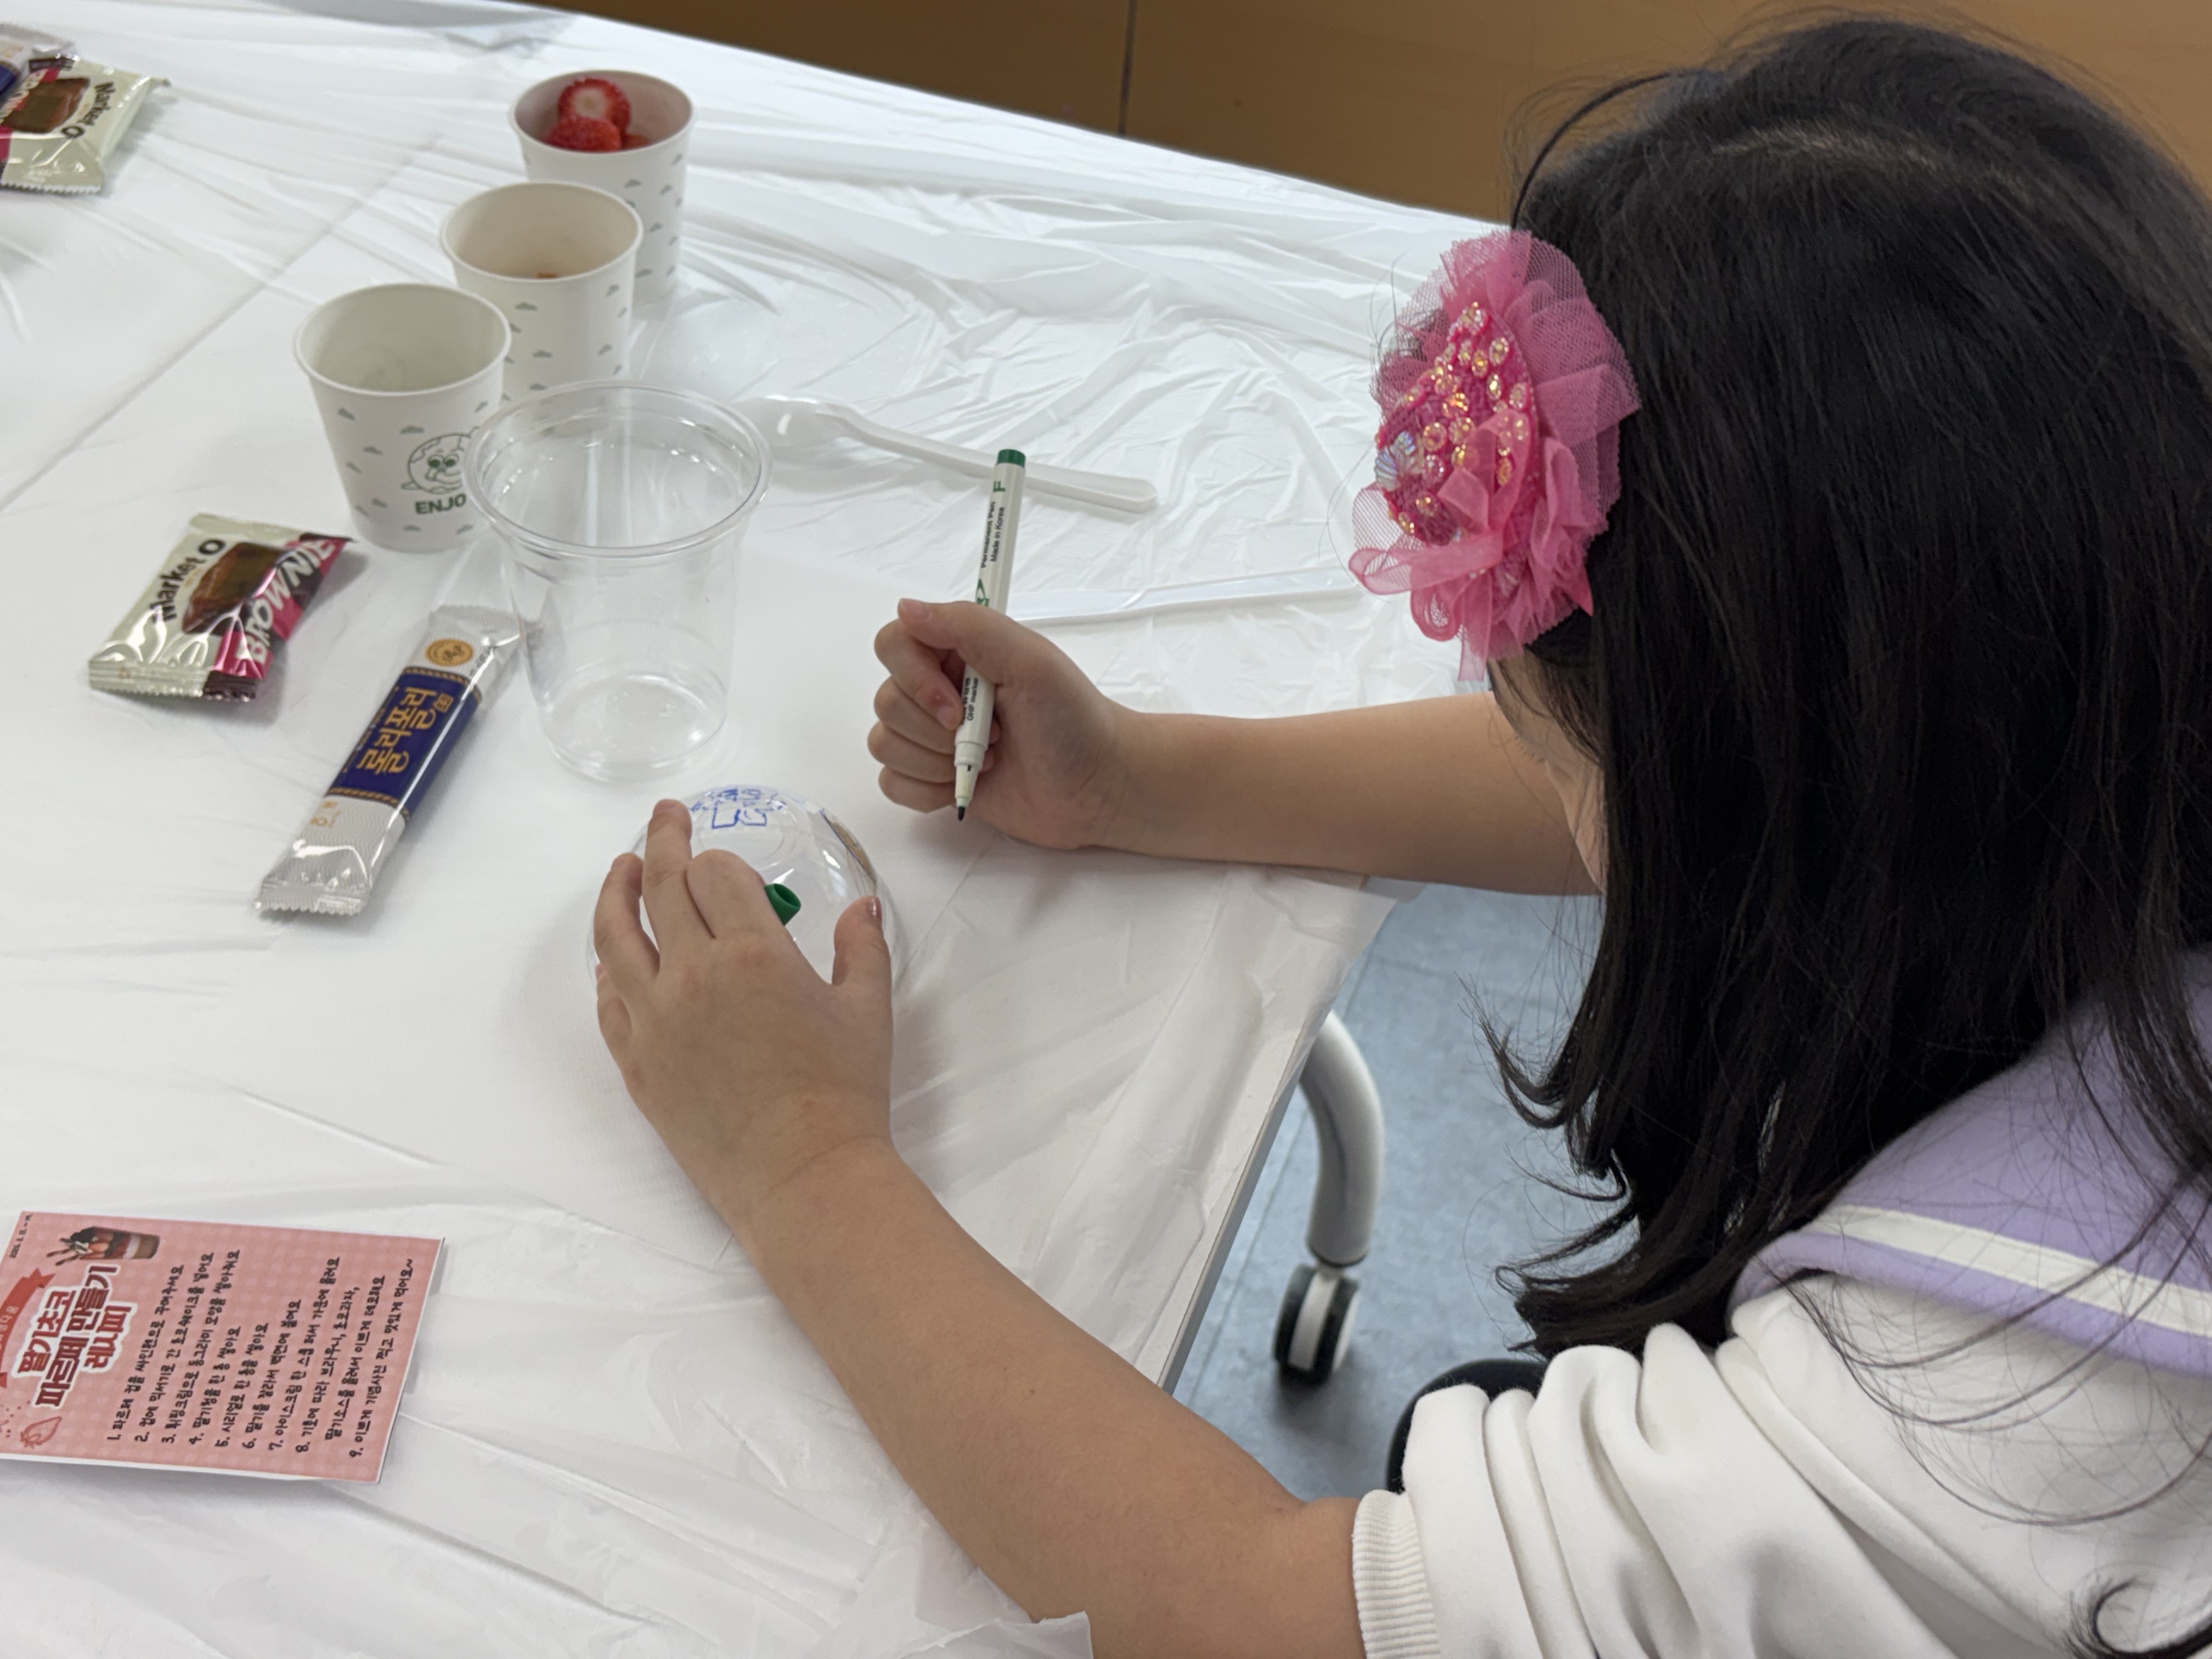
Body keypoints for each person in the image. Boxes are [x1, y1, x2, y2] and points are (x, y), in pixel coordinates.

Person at [589, 18, 2212, 1658]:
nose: (1537, 754)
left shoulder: (1997, 1417)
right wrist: (1140, 782)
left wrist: (800, 1158)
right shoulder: (2107, 713)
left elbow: (1257, 1614)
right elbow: (1674, 792)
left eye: (1559, 739)